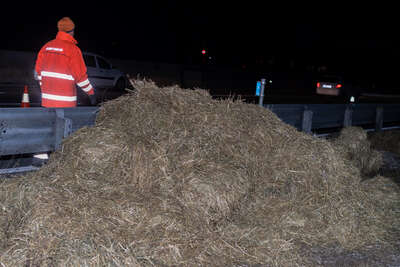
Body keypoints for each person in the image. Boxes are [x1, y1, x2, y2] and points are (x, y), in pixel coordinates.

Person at [35, 17, 96, 107]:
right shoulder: (73, 50)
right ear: (72, 31)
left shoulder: (46, 47)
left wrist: (45, 88)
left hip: (46, 101)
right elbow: (80, 76)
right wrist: (91, 93)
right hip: (66, 102)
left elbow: (38, 73)